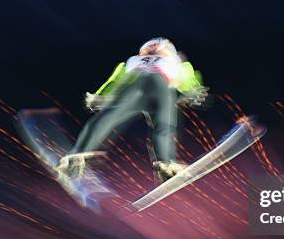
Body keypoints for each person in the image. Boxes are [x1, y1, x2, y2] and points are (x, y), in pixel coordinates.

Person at [57, 37, 208, 182]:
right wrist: (194, 91)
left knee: (106, 118)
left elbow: (114, 82)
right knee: (163, 127)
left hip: (133, 86)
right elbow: (188, 79)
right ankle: (165, 164)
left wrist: (100, 96)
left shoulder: (131, 61)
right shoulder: (177, 62)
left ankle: (76, 156)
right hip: (159, 87)